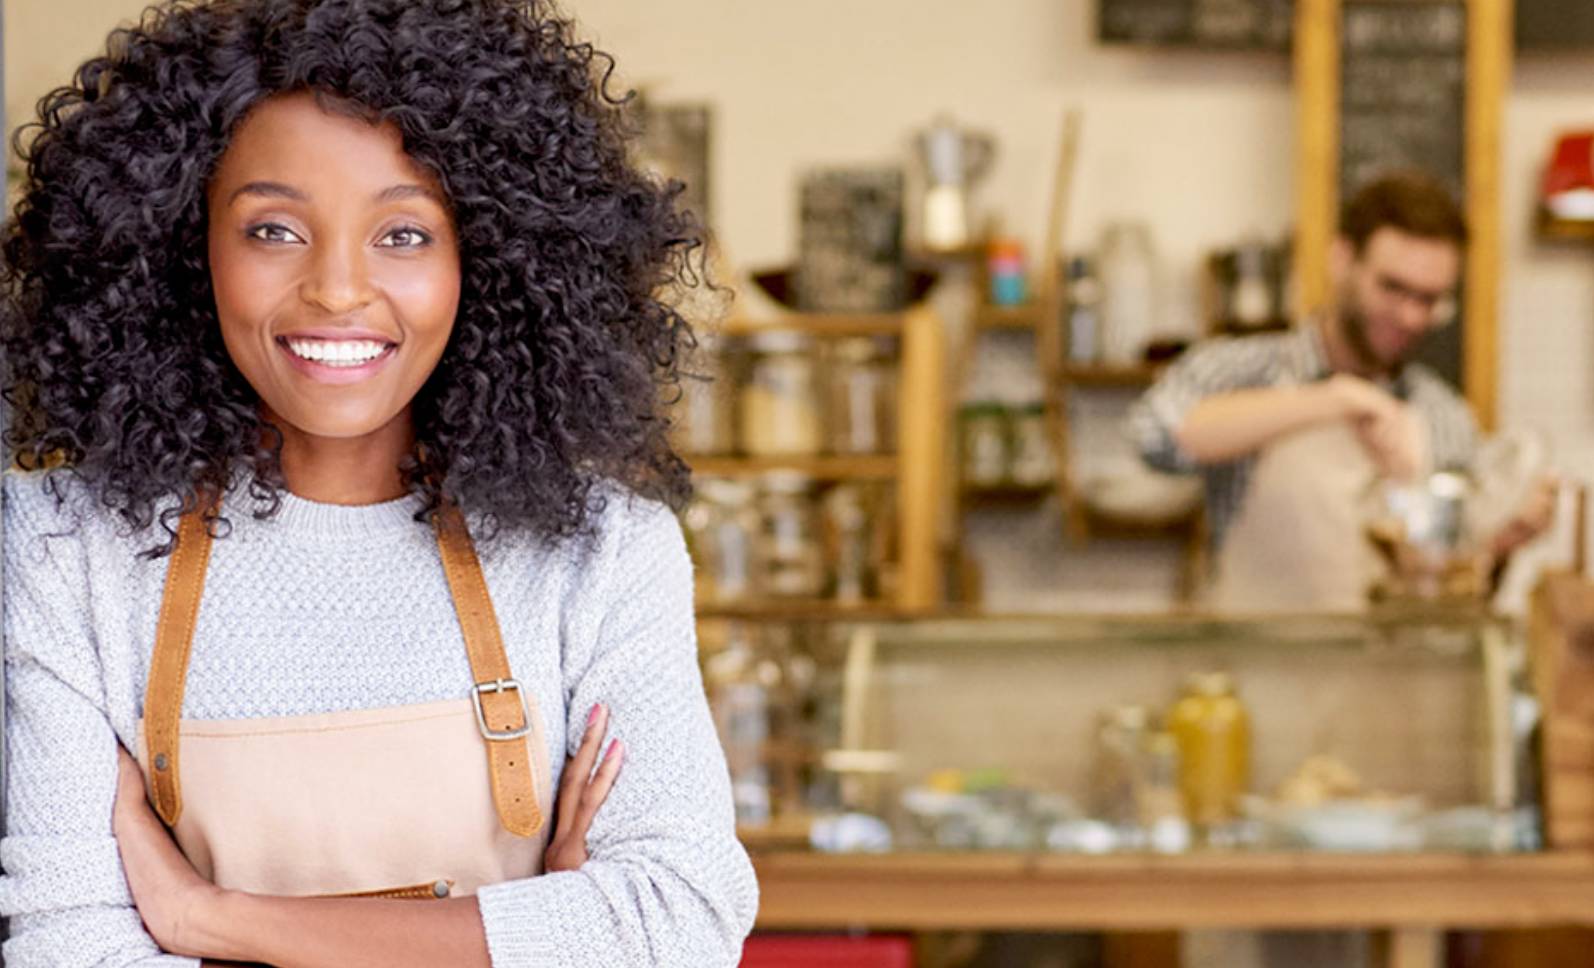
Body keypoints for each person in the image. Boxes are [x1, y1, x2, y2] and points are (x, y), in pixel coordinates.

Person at [0, 1, 757, 965]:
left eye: (404, 236)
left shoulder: (605, 552)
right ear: (184, 253)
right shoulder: (64, 545)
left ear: (487, 261)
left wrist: (206, 921)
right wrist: (534, 931)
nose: (339, 290)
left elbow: (678, 922)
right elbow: (69, 950)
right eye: (273, 230)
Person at [1129, 170, 1556, 611]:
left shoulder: (1443, 414)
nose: (1410, 317)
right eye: (1392, 287)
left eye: (1428, 299)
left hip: (1386, 675)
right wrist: (1332, 399)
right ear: (1341, 260)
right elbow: (1155, 435)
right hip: (1254, 669)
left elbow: (1446, 591)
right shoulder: (1244, 368)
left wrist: (1500, 545)